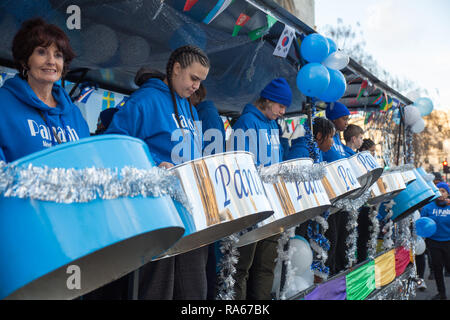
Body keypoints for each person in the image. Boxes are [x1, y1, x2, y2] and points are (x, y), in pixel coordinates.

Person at [106, 44, 210, 300]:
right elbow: (116, 144)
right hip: (156, 212)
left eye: (201, 81)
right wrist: (153, 167)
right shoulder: (144, 100)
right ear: (176, 69)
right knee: (157, 289)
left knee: (193, 290)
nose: (197, 86)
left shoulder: (190, 108)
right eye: (193, 78)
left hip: (189, 211)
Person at [231, 77, 292, 300]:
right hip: (251, 208)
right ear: (268, 100)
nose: (283, 112)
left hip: (272, 207)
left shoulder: (273, 126)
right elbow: (237, 165)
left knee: (265, 268)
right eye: (281, 106)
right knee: (241, 270)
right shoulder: (246, 122)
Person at [0, 18, 90, 162]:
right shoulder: (3, 104)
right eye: (41, 52)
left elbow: (89, 162)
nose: (51, 61)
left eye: (58, 55)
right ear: (24, 61)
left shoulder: (74, 114)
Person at [189, 83, 225, 299]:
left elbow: (209, 158)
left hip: (205, 192)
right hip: (204, 193)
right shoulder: (207, 114)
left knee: (208, 259)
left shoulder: (207, 116)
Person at [322, 102, 351, 276]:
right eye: (344, 118)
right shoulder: (327, 138)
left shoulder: (338, 140)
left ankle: (339, 273)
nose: (346, 122)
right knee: (330, 241)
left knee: (340, 239)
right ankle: (329, 277)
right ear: (333, 119)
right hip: (329, 199)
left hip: (341, 197)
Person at [420, 181, 450, 300]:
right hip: (434, 242)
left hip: (449, 241)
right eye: (439, 191)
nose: (441, 194)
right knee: (437, 268)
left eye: (444, 191)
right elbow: (422, 224)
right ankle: (441, 293)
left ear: (448, 194)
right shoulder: (428, 207)